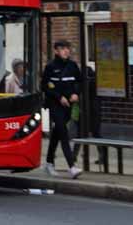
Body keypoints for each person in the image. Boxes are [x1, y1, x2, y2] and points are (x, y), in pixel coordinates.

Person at [42, 40, 83, 179]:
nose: (66, 51)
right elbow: (45, 86)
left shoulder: (72, 66)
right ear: (56, 51)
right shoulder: (50, 67)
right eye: (62, 48)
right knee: (63, 133)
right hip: (55, 104)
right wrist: (59, 97)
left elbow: (79, 82)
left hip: (68, 105)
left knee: (57, 134)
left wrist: (75, 93)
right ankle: (71, 167)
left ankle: (48, 163)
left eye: (67, 48)